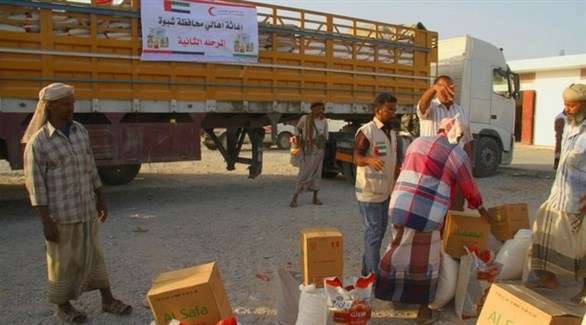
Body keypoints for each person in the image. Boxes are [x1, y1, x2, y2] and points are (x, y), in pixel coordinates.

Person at [23, 83, 132, 323]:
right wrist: (45, 222)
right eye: (65, 103)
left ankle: (107, 299)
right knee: (62, 261)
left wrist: (101, 197)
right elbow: (35, 186)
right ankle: (64, 306)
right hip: (61, 215)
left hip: (85, 209)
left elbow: (90, 167)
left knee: (95, 255)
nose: (71, 107)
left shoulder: (80, 131)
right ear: (50, 107)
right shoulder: (38, 144)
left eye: (72, 102)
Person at [375, 116, 490, 324]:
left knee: (398, 248)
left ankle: (395, 296)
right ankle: (423, 310)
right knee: (424, 261)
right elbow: (468, 187)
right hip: (427, 213)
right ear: (459, 134)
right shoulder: (457, 153)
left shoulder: (417, 142)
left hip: (400, 205)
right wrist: (481, 208)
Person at [529, 83, 586, 304]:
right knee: (543, 230)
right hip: (559, 195)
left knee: (581, 248)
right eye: (566, 105)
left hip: (579, 201)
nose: (567, 109)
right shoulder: (570, 124)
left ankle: (583, 290)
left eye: (572, 105)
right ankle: (548, 277)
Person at [354, 92, 403, 276]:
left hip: (385, 193)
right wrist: (369, 160)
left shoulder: (391, 132)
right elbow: (357, 157)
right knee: (373, 234)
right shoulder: (366, 131)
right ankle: (374, 277)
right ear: (378, 110)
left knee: (377, 235)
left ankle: (367, 271)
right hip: (369, 193)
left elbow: (393, 160)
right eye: (389, 109)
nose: (393, 113)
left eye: (394, 109)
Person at [418, 75, 473, 211]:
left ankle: (451, 230)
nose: (448, 91)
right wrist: (435, 89)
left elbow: (467, 140)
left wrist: (469, 166)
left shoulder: (461, 110)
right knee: (432, 207)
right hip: (433, 166)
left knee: (455, 207)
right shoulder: (430, 107)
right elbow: (422, 106)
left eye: (451, 87)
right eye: (444, 87)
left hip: (456, 166)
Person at [289, 102, 328, 208]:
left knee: (317, 173)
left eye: (322, 109)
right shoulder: (305, 119)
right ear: (312, 109)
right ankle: (295, 198)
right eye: (318, 109)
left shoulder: (324, 121)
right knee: (304, 173)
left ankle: (315, 197)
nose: (320, 111)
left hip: (319, 150)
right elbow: (297, 128)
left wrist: (321, 142)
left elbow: (325, 135)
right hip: (308, 149)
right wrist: (299, 140)